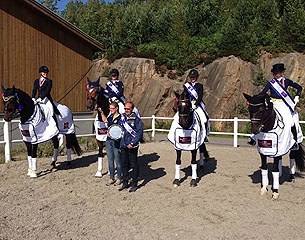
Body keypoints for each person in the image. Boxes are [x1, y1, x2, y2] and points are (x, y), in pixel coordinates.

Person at [183, 69, 210, 161]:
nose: (192, 79)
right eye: (191, 77)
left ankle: (205, 135)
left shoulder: (199, 86)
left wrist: (196, 105)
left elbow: (200, 96)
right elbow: (184, 95)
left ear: (196, 77)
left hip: (197, 104)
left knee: (204, 118)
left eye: (194, 77)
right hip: (188, 105)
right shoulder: (187, 86)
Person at [118, 101, 144, 192]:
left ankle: (134, 183)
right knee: (124, 164)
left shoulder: (137, 120)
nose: (126, 110)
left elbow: (139, 133)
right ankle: (125, 182)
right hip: (123, 144)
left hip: (132, 145)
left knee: (134, 164)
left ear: (132, 109)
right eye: (125, 109)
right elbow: (119, 130)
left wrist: (132, 143)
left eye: (128, 109)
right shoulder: (122, 119)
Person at [100, 102, 122, 186]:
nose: (110, 110)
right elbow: (105, 120)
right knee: (110, 160)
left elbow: (121, 130)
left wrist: (115, 135)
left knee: (118, 160)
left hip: (116, 141)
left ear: (116, 108)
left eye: (112, 108)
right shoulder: (110, 117)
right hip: (108, 141)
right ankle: (111, 177)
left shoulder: (120, 118)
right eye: (110, 108)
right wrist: (101, 112)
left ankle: (119, 177)